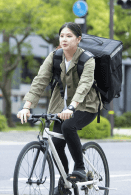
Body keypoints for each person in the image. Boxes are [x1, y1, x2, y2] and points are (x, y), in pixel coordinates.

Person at [17, 22, 101, 194]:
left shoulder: (88, 59)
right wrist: (26, 106)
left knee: (68, 126)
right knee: (56, 143)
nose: (64, 39)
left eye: (69, 36)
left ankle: (79, 168)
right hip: (59, 108)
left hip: (86, 106)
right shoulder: (54, 57)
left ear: (78, 39)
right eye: (62, 36)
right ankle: (65, 183)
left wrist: (72, 107)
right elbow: (40, 81)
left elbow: (85, 85)